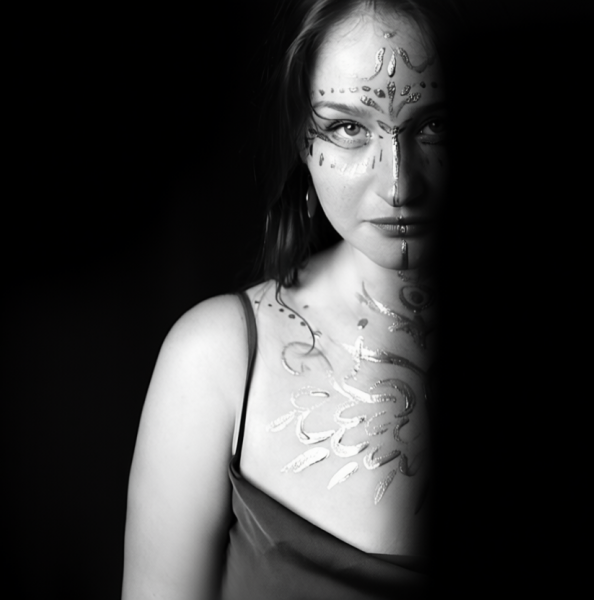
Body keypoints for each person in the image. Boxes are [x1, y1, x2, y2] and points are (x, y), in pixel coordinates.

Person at [123, 0, 459, 597]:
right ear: (303, 137)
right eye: (349, 128)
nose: (399, 184)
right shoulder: (216, 361)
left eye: (433, 124)